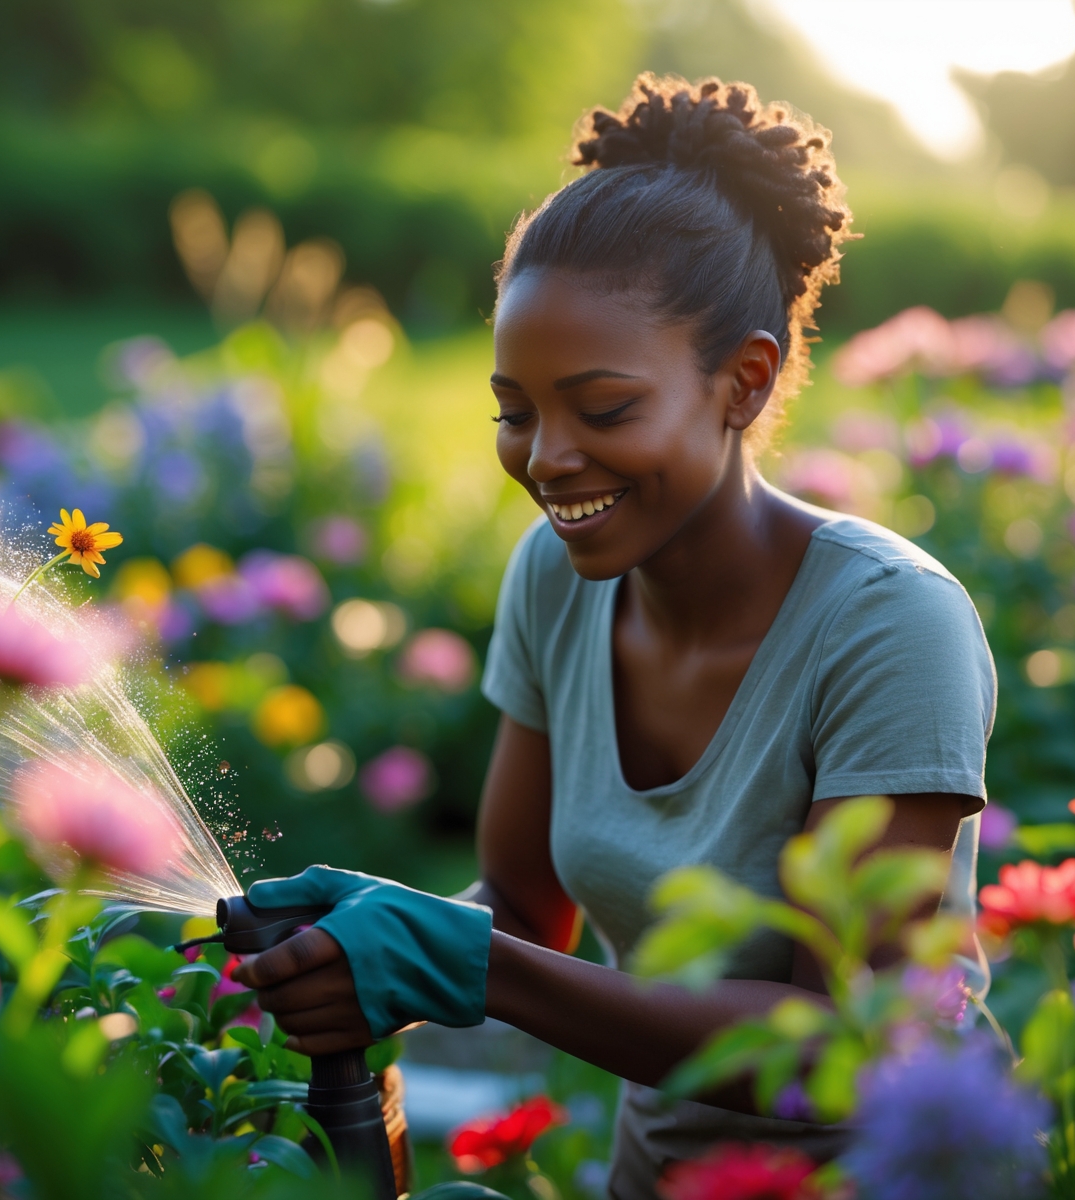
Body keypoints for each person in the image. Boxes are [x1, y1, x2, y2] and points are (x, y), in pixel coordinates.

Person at [232, 73, 994, 1195]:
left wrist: (470, 965)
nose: (545, 457)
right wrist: (363, 936)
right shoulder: (558, 579)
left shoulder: (889, 624)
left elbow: (847, 1043)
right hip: (661, 1173)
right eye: (515, 410)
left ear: (743, 381)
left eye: (602, 409)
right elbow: (524, 908)